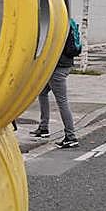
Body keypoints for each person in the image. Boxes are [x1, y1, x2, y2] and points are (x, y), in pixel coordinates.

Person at [32, 18, 79, 148]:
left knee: (62, 101)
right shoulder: (68, 21)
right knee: (42, 92)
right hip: (64, 64)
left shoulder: (57, 23)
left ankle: (71, 136)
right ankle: (44, 128)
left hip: (57, 67)